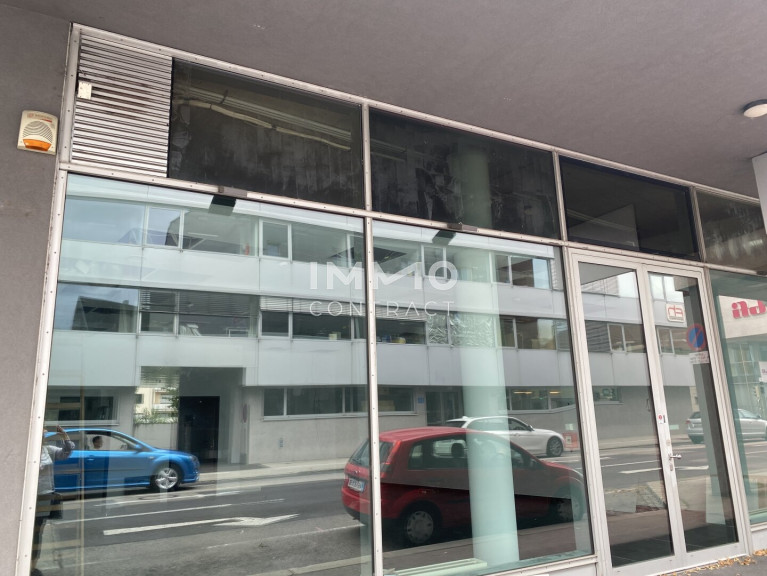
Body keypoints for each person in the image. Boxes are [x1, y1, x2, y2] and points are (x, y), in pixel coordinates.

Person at [32, 425, 74, 576]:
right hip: (30, 496)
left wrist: (64, 436)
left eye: (44, 435)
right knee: (28, 531)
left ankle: (32, 566)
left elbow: (66, 452)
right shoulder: (28, 451)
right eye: (42, 435)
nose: (44, 437)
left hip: (45, 495)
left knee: (37, 532)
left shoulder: (47, 450)